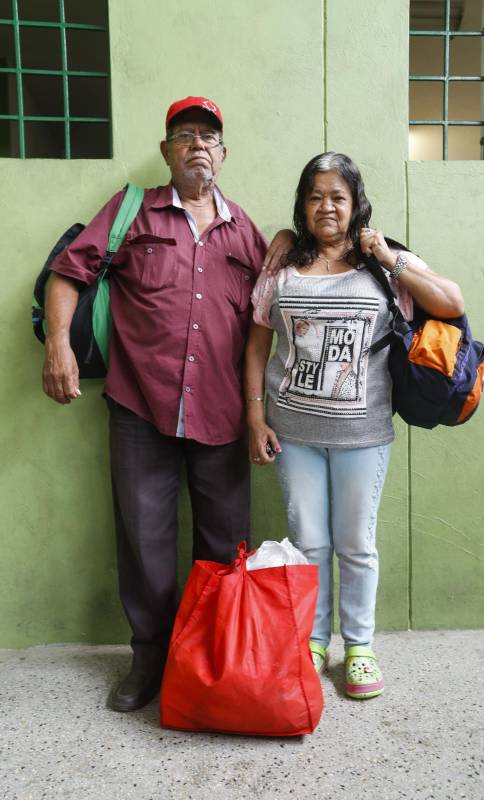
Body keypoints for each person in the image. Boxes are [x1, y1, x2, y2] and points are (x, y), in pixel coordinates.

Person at [42, 96, 291, 712]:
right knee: (144, 540)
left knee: (224, 544)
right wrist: (58, 346)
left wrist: (292, 238)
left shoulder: (246, 231)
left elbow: (270, 311)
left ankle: (209, 659)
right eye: (185, 135)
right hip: (140, 406)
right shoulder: (132, 210)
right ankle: (150, 658)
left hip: (221, 413)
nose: (197, 145)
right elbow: (69, 274)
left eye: (208, 136)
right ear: (166, 151)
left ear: (224, 154)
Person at [244, 152, 464, 699]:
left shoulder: (383, 263)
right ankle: (314, 640)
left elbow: (451, 302)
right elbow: (257, 343)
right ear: (302, 204)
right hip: (292, 432)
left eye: (338, 197)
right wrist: (254, 415)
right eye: (315, 196)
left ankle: (359, 647)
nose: (327, 206)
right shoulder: (282, 265)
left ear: (355, 203)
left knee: (356, 544)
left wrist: (388, 256)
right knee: (309, 542)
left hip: (362, 435)